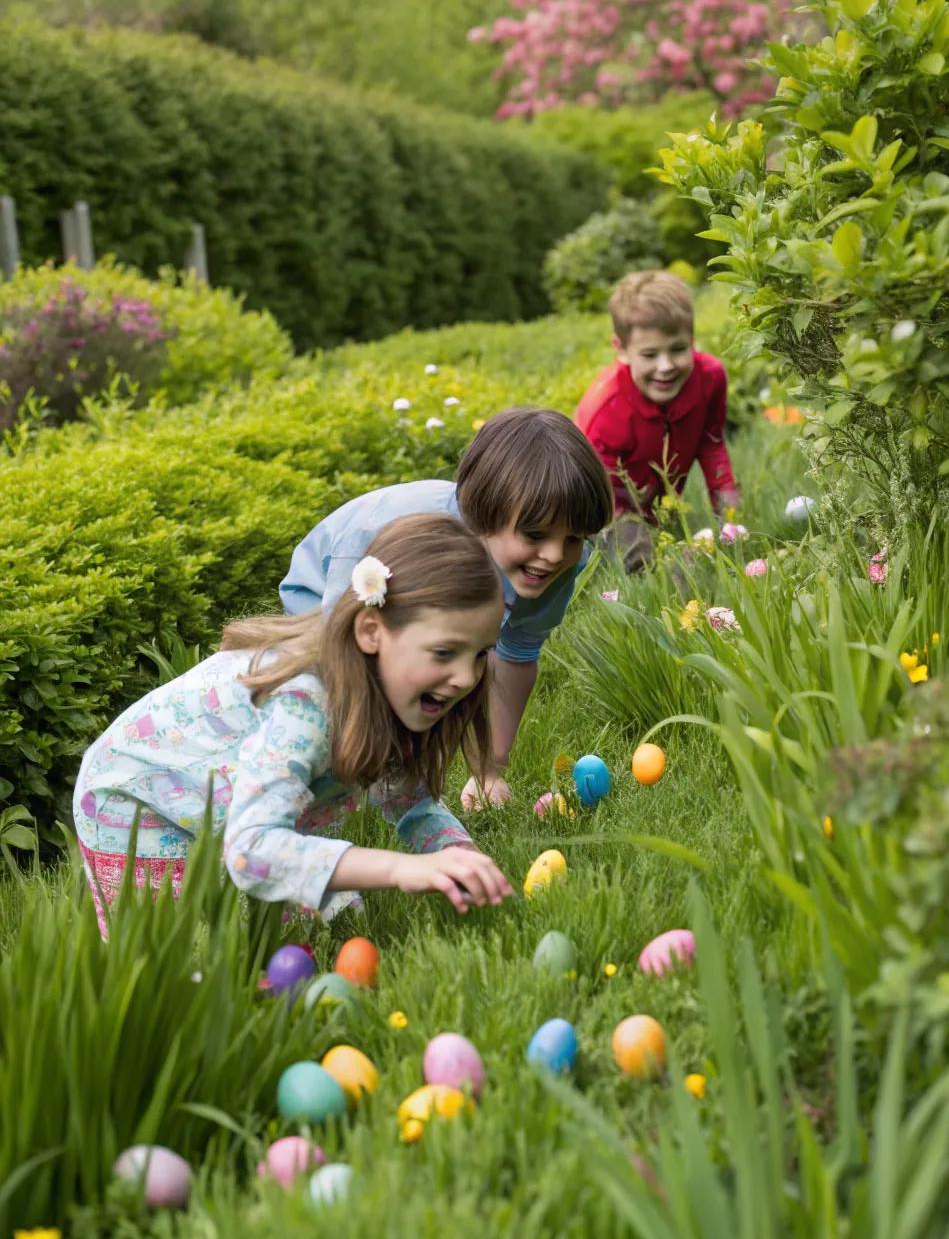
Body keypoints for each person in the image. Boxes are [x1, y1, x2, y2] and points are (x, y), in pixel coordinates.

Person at [74, 514, 513, 937]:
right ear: (372, 632)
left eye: (479, 654)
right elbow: (252, 851)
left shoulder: (391, 688)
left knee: (313, 929)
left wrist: (461, 858)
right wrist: (402, 868)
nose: (466, 677)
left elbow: (408, 799)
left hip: (224, 797)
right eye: (444, 653)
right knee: (182, 962)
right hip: (136, 798)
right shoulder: (308, 705)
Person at [280, 409, 613, 810]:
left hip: (415, 618)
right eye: (535, 534)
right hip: (331, 597)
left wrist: (489, 770)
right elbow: (344, 652)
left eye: (574, 538)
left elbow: (517, 654)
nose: (555, 555)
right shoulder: (399, 529)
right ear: (487, 511)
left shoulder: (555, 564)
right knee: (332, 702)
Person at [574, 270, 740, 572]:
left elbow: (711, 444)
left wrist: (729, 516)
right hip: (604, 507)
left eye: (677, 349)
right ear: (622, 349)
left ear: (692, 339)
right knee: (652, 568)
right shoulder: (606, 410)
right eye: (649, 354)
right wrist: (642, 539)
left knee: (720, 550)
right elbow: (604, 500)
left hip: (662, 507)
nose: (665, 366)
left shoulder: (710, 378)